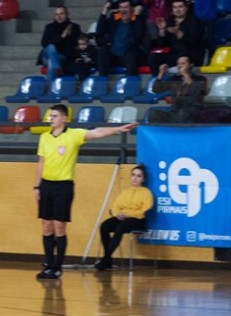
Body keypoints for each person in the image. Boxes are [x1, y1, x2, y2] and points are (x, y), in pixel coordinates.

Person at [35, 104, 138, 280]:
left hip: (64, 186)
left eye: (54, 116)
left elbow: (96, 132)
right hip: (46, 185)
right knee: (46, 226)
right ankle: (48, 264)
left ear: (64, 118)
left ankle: (57, 267)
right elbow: (41, 163)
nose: (50, 119)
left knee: (59, 226)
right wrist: (37, 186)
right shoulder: (44, 137)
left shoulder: (73, 135)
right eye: (49, 116)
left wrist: (117, 129)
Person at [94, 165, 154, 271]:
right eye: (133, 175)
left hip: (137, 219)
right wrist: (117, 214)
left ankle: (106, 259)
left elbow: (144, 209)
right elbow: (116, 205)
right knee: (105, 226)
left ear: (143, 179)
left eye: (139, 176)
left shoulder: (146, 193)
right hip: (122, 217)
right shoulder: (125, 192)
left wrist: (128, 213)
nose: (135, 178)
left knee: (120, 228)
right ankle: (108, 259)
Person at [148, 0, 205, 76]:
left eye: (180, 7)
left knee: (183, 58)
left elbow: (194, 43)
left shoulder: (195, 21)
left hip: (191, 55)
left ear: (186, 8)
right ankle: (158, 80)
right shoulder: (169, 21)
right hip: (175, 54)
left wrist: (178, 33)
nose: (177, 9)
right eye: (175, 7)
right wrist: (162, 30)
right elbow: (162, 44)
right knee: (153, 57)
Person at [147, 55, 207, 123]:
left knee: (183, 113)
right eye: (178, 63)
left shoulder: (200, 79)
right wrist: (161, 73)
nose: (179, 66)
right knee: (154, 114)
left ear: (190, 65)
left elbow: (198, 91)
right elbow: (156, 89)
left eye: (183, 63)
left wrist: (186, 75)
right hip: (175, 111)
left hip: (193, 112)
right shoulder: (174, 79)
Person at [96, 0, 148, 76]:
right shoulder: (113, 19)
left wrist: (138, 16)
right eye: (121, 7)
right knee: (102, 53)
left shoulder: (138, 20)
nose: (123, 10)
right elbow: (99, 32)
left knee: (131, 56)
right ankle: (102, 84)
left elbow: (138, 35)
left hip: (128, 55)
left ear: (131, 9)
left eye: (126, 7)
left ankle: (130, 85)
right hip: (113, 55)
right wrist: (104, 12)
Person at [37, 6, 82, 83]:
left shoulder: (74, 27)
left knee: (52, 63)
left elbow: (76, 44)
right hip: (47, 55)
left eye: (61, 14)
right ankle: (58, 68)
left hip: (62, 56)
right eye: (56, 14)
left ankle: (50, 88)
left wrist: (70, 35)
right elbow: (44, 43)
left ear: (67, 14)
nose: (59, 17)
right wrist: (62, 37)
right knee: (51, 47)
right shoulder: (49, 27)